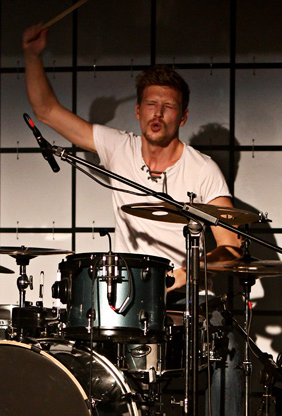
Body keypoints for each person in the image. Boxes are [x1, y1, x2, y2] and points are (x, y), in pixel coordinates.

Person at [22, 23, 241, 290]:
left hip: (184, 298)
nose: (158, 113)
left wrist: (183, 275)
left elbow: (231, 247)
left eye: (168, 106)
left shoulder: (203, 169)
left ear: (183, 117)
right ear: (138, 111)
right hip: (130, 295)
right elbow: (46, 111)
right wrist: (32, 55)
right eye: (151, 104)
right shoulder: (120, 148)